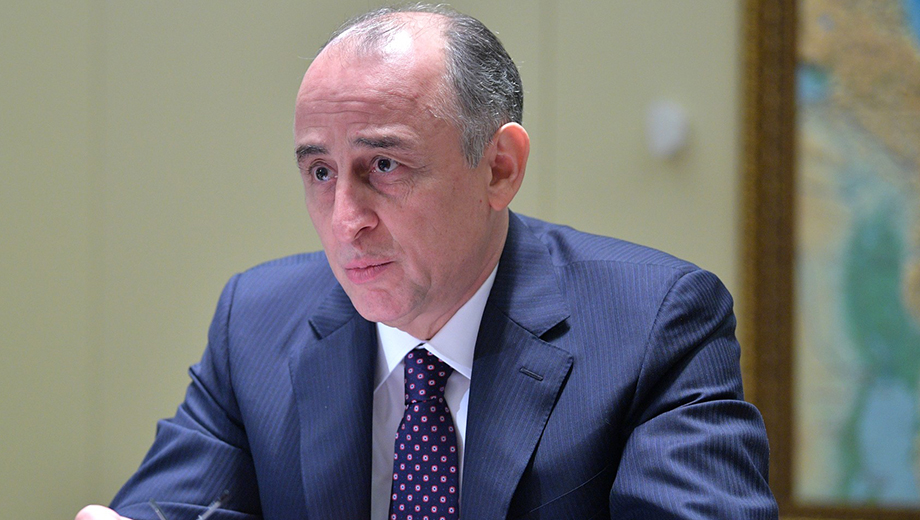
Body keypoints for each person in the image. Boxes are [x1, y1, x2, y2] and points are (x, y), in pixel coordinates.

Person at [77, 5, 778, 520]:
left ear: (499, 168)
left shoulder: (652, 324)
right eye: (320, 172)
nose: (346, 220)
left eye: (384, 165)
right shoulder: (256, 323)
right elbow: (173, 507)